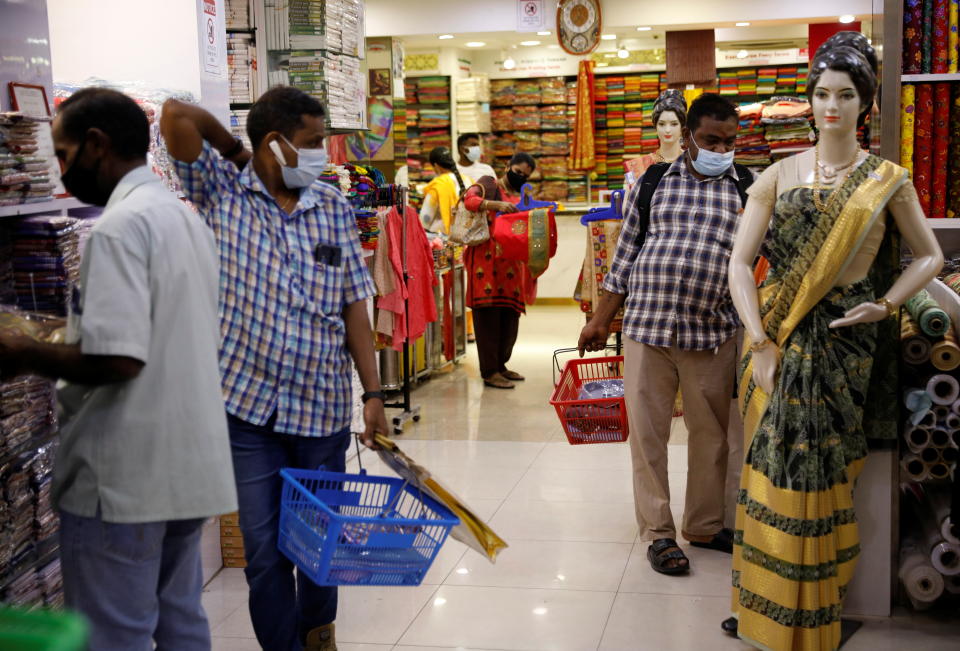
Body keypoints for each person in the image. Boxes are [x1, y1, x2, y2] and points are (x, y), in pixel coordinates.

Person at [724, 37, 942, 650]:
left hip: (849, 343)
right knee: (772, 468)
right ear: (810, 99)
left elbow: (928, 254)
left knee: (826, 478)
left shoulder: (887, 181)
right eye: (822, 93)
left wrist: (890, 303)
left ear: (865, 103)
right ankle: (765, 607)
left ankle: (812, 606)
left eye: (845, 95)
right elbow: (740, 266)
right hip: (781, 341)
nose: (831, 106)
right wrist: (760, 339)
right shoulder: (776, 174)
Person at [0, 88, 237, 650]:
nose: (61, 170)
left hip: (125, 476)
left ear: (97, 145)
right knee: (179, 622)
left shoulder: (118, 229)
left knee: (113, 637)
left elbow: (119, 358)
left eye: (62, 155)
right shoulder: (184, 221)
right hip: (187, 465)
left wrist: (21, 350)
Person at [160, 86, 389, 651]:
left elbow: (355, 306)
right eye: (311, 144)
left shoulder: (332, 204)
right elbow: (174, 115)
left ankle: (318, 638)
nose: (321, 155)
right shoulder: (221, 191)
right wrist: (239, 154)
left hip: (321, 411)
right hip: (246, 413)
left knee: (319, 550)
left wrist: (374, 393)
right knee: (264, 557)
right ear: (275, 142)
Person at [578, 94, 750, 575]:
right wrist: (599, 319)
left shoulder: (747, 188)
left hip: (713, 333)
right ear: (691, 136)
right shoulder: (653, 181)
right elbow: (625, 256)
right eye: (712, 139)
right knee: (648, 436)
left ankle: (704, 523)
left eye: (730, 140)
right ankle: (658, 532)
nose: (722, 148)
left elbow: (768, 256)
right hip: (647, 328)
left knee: (712, 437)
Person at [462, 152, 536, 389]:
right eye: (517, 172)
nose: (520, 177)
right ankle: (489, 371)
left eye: (525, 176)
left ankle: (501, 365)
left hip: (511, 269)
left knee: (509, 320)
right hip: (485, 267)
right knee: (488, 320)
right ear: (507, 167)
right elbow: (469, 200)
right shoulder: (488, 184)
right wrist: (496, 204)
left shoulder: (520, 195)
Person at [623, 90, 687, 190]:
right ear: (655, 126)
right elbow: (627, 203)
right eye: (661, 124)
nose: (667, 130)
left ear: (682, 127)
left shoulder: (693, 164)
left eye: (674, 124)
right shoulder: (635, 168)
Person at [419, 146, 470, 232]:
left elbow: (424, 221)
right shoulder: (468, 180)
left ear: (436, 166)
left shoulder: (438, 185)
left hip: (444, 239)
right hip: (468, 236)